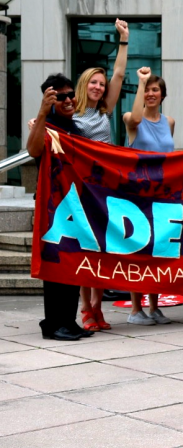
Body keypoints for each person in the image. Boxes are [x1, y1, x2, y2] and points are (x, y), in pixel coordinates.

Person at [27, 75, 95, 341]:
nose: (67, 100)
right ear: (49, 100)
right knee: (56, 266)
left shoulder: (75, 128)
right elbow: (33, 150)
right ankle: (53, 324)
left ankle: (68, 320)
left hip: (74, 207)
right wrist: (42, 113)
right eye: (60, 97)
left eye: (70, 95)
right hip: (52, 209)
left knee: (72, 265)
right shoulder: (45, 125)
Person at [73, 19, 129, 333]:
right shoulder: (71, 114)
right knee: (86, 247)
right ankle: (85, 307)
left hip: (106, 187)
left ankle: (97, 305)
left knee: (102, 248)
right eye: (93, 82)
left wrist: (124, 40)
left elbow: (120, 74)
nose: (99, 86)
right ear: (84, 85)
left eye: (101, 83)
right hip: (82, 188)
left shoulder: (103, 111)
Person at [121, 67, 175, 326]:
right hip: (137, 194)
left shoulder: (169, 122)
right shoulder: (132, 117)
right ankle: (135, 309)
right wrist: (140, 81)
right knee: (138, 248)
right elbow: (133, 122)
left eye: (155, 89)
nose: (151, 93)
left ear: (163, 95)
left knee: (157, 249)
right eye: (147, 89)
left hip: (161, 194)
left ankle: (154, 307)